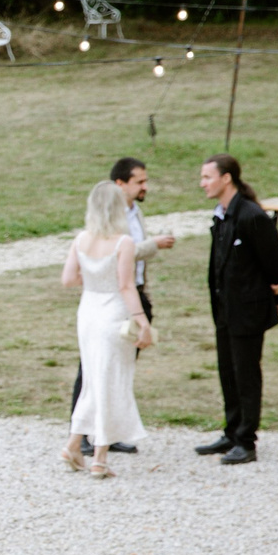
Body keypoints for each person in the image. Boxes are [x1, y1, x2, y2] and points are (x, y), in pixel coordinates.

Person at [70, 157, 172, 455]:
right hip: (115, 301)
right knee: (95, 370)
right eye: (139, 181)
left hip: (132, 293)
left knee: (118, 370)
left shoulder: (135, 212)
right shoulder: (108, 223)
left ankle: (108, 432)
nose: (145, 186)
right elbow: (116, 253)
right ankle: (85, 436)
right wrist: (153, 245)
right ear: (120, 184)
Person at [200, 152, 278, 465]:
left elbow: (275, 264)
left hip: (247, 310)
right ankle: (232, 430)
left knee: (246, 374)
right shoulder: (222, 215)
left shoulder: (251, 216)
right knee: (228, 371)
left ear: (226, 178)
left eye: (207, 177)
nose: (203, 183)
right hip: (225, 308)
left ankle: (246, 441)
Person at [63, 181, 152, 478]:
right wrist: (142, 320)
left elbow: (68, 279)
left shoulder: (81, 239)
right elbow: (126, 285)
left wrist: (93, 280)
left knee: (93, 379)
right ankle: (99, 456)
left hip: (88, 312)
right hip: (112, 312)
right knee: (111, 381)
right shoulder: (123, 242)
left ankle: (74, 444)